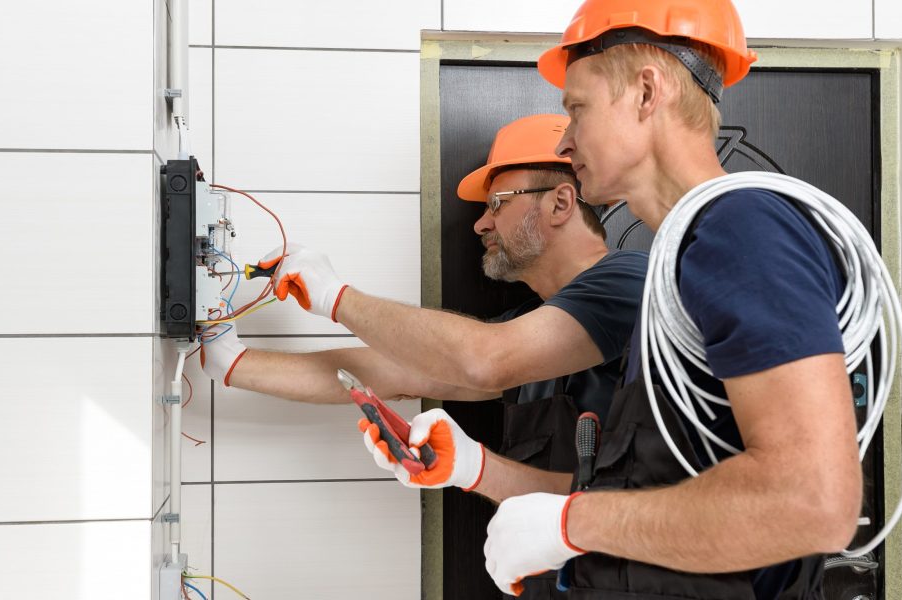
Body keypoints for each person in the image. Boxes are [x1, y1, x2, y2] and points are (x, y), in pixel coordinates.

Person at [359, 1, 864, 598]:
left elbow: (812, 504)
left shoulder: (743, 229)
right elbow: (653, 497)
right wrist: (474, 467)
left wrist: (573, 523)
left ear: (646, 93)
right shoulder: (676, 273)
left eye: (577, 108)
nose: (567, 140)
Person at [201, 113, 648, 598]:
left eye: (497, 203)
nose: (481, 222)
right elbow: (390, 372)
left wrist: (335, 296)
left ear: (561, 202)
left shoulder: (629, 282)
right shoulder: (530, 334)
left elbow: (483, 358)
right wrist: (235, 363)